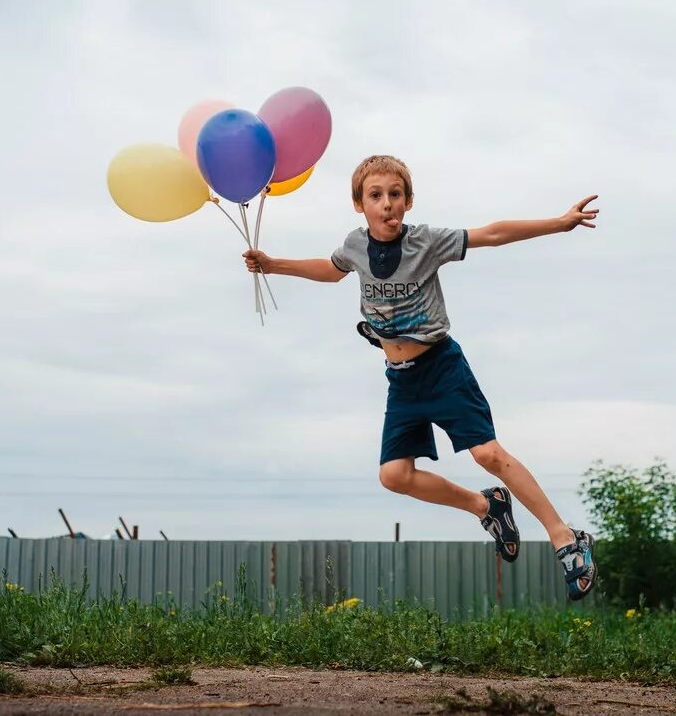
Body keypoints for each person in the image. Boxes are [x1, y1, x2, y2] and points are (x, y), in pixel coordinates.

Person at [243, 155, 600, 599]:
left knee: (487, 454)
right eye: (376, 196)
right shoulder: (355, 246)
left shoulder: (426, 242)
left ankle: (565, 536)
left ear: (408, 202)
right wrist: (273, 264)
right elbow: (331, 271)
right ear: (360, 204)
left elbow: (492, 234)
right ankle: (485, 506)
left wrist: (558, 222)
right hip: (401, 379)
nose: (387, 204)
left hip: (442, 368)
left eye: (395, 195)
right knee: (394, 475)